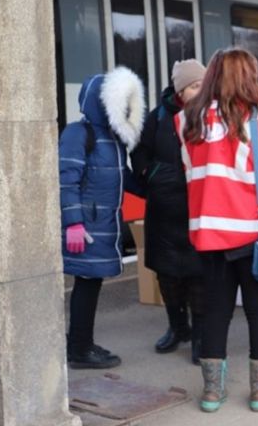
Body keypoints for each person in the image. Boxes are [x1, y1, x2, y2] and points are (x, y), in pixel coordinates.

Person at [176, 48, 258, 413]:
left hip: (210, 233)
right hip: (255, 234)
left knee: (216, 310)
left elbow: (188, 175)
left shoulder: (187, 121)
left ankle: (212, 392)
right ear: (249, 77)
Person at [59, 66, 146, 369]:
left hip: (104, 224)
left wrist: (154, 187)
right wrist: (73, 223)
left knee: (91, 282)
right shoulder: (77, 134)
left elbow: (124, 177)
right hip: (86, 227)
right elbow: (66, 180)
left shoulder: (113, 138)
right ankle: (80, 349)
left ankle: (81, 343)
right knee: (87, 282)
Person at [131, 59, 206, 364]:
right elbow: (139, 154)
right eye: (194, 86)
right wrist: (153, 176)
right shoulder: (158, 117)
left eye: (203, 85)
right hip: (164, 209)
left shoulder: (211, 116)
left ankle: (200, 336)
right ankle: (178, 328)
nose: (200, 90)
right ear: (180, 90)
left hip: (198, 210)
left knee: (199, 276)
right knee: (167, 275)